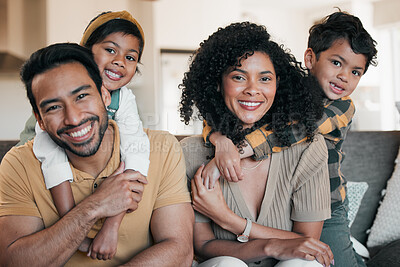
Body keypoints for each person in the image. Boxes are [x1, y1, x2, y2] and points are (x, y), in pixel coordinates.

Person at [201, 11, 377, 267]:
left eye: (356, 72)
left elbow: (296, 131)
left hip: (328, 206)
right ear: (310, 58)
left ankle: (356, 255)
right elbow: (220, 116)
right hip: (289, 202)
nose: (344, 76)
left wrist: (237, 150)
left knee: (332, 261)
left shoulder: (343, 107)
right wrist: (220, 140)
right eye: (337, 63)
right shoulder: (283, 93)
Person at [0, 43, 193, 266]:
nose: (73, 118)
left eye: (81, 96)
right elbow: (13, 262)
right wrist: (95, 205)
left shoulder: (162, 149)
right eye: (53, 107)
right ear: (39, 119)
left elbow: (180, 250)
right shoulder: (18, 165)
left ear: (105, 95)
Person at [180, 22, 334, 267]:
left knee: (301, 264)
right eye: (239, 77)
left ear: (277, 84)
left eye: (265, 78)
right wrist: (269, 245)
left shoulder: (307, 148)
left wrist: (229, 220)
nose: (253, 90)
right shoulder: (192, 152)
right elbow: (204, 245)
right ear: (218, 84)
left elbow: (306, 243)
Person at [16, 11, 151, 259]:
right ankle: (72, 225)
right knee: (51, 151)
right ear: (86, 52)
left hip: (105, 190)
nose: (120, 61)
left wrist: (111, 225)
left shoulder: (126, 102)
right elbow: (40, 158)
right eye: (110, 50)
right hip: (48, 170)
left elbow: (136, 149)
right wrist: (76, 223)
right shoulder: (52, 115)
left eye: (130, 57)